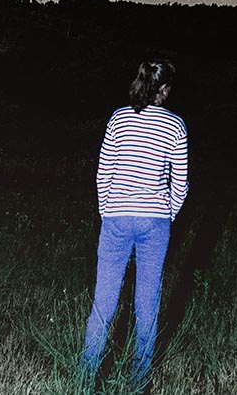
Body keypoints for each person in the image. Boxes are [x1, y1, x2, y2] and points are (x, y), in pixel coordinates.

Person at [81, 59, 189, 392]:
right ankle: (139, 382)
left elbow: (103, 174)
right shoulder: (175, 126)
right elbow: (180, 184)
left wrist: (107, 211)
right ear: (165, 89)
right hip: (154, 221)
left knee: (104, 302)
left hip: (116, 217)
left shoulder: (119, 118)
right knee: (147, 304)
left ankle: (85, 379)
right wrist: (165, 215)